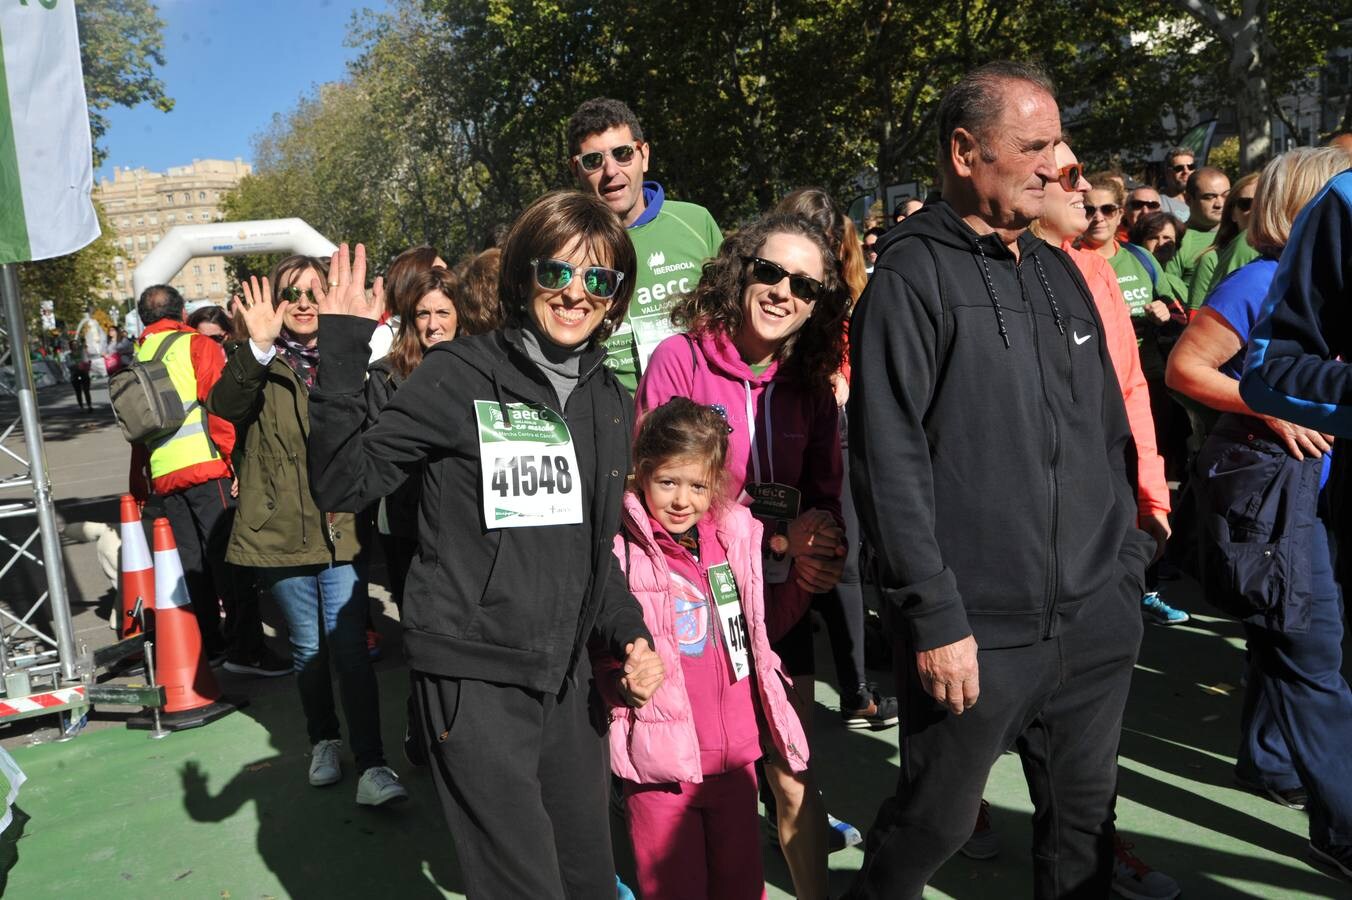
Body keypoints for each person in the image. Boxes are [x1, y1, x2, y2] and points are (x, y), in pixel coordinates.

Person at [846, 62, 1153, 899]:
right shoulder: (910, 280)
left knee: (1084, 830)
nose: (1060, 164)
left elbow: (1106, 432)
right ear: (963, 151)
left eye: (1057, 142)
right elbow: (889, 461)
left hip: (1093, 620)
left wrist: (1126, 565)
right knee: (934, 823)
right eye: (1036, 145)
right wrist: (936, 619)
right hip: (975, 633)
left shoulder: (1058, 274)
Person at [306, 191, 662, 898]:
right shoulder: (457, 375)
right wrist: (342, 346)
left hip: (566, 684)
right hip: (473, 675)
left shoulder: (612, 401)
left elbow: (596, 550)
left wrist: (632, 634)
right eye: (557, 272)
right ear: (525, 275)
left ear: (616, 297)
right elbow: (343, 481)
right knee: (522, 886)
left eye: (598, 280)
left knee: (589, 878)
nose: (575, 294)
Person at [636, 212, 851, 900]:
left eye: (805, 285)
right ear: (740, 271)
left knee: (794, 775)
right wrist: (775, 538)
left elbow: (824, 494)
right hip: (697, 616)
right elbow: (658, 494)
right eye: (770, 271)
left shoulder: (811, 385)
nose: (783, 291)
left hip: (780, 607)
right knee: (696, 785)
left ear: (818, 304)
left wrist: (820, 547)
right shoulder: (680, 359)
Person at [1168, 146, 1352, 883]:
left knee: (1290, 642)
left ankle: (1268, 756)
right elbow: (1186, 367)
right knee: (1312, 657)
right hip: (1274, 500)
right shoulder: (1262, 280)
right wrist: (1269, 406)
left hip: (1313, 497)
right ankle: (1340, 827)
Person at [209, 256, 406, 807]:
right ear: (275, 303)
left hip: (342, 524)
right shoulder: (257, 360)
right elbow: (223, 407)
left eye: (313, 292)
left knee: (350, 649)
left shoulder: (351, 357)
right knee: (308, 650)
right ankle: (324, 739)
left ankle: (373, 764)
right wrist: (257, 347)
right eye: (291, 293)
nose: (302, 303)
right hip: (279, 531)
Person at [596, 397, 808, 900]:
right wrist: (621, 685)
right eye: (667, 481)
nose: (681, 500)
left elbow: (759, 633)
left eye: (696, 485)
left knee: (741, 888)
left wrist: (802, 578)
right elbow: (599, 658)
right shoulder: (618, 551)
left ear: (714, 484)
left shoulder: (733, 540)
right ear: (641, 474)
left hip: (736, 764)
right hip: (659, 773)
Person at [774, 188, 895, 730]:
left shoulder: (847, 291)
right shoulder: (773, 280)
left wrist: (842, 374)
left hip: (829, 422)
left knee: (837, 551)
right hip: (775, 424)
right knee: (781, 550)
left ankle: (856, 688)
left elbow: (854, 345)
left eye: (819, 239)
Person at [128, 285, 287, 677]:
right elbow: (219, 406)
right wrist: (236, 462)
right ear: (182, 312)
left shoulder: (139, 353)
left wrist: (140, 482)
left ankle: (211, 645)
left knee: (193, 566)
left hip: (165, 472)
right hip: (207, 466)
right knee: (233, 563)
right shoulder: (195, 345)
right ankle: (247, 650)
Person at [567, 97, 722, 392]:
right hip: (614, 419)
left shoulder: (696, 221)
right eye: (593, 161)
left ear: (644, 155)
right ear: (576, 170)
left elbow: (736, 315)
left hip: (698, 413)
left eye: (623, 153)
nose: (611, 170)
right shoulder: (568, 245)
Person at [1081, 176, 1192, 484]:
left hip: (1148, 373)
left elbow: (1176, 309)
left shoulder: (1139, 257)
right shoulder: (1070, 259)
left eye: (1107, 209)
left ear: (1120, 214)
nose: (1097, 217)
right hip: (1102, 379)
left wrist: (1162, 311)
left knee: (1150, 457)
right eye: (1088, 209)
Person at [1187, 171, 1260, 308]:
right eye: (1246, 204)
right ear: (1232, 213)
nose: (1256, 211)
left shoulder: (1286, 251)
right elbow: (1197, 319)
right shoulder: (1211, 260)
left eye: (1263, 202)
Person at [1166, 166, 1231, 289]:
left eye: (1225, 196)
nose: (1220, 204)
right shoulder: (1176, 239)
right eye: (1209, 197)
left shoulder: (1244, 235)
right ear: (1188, 200)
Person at [1158, 148, 1195, 221]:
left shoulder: (1202, 198)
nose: (1186, 171)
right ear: (1167, 172)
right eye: (1179, 168)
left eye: (1190, 167)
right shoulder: (1159, 203)